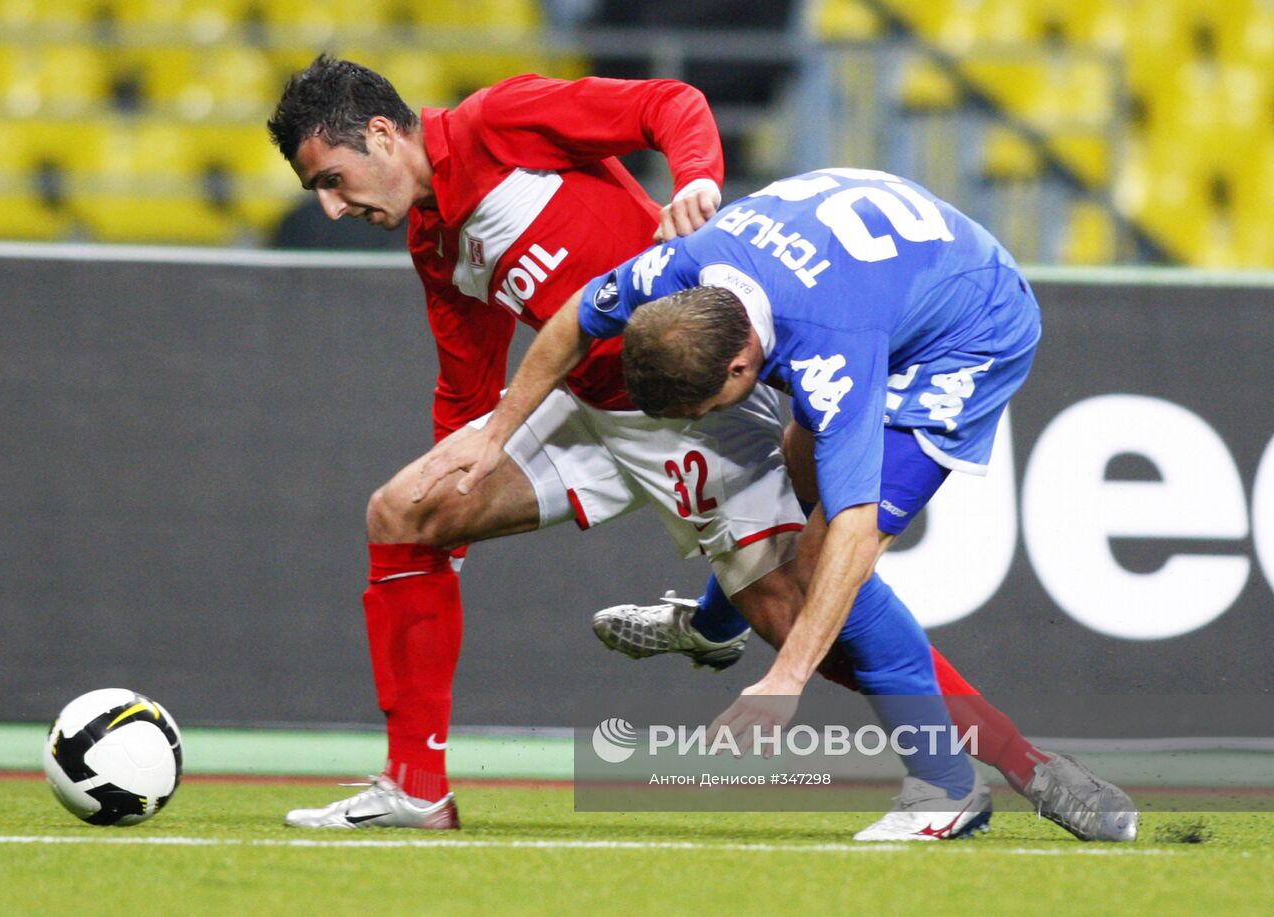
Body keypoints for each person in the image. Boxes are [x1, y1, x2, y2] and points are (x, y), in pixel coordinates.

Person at [266, 59, 1125, 840]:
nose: (334, 207)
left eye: (332, 181)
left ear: (381, 134)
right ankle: (418, 788)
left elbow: (667, 101)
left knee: (814, 614)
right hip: (582, 394)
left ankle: (1018, 764)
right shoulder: (432, 238)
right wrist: (473, 452)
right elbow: (469, 380)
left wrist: (697, 182)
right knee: (405, 514)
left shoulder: (503, 121)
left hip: (696, 386)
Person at [417, 167, 1140, 841]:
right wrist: (497, 433)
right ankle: (711, 627)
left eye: (701, 407)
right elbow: (579, 317)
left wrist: (787, 679)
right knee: (794, 466)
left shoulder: (832, 354)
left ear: (741, 366)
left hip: (969, 332)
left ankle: (947, 785)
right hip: (873, 278)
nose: (695, 425)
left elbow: (858, 532)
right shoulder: (685, 266)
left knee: (828, 562)